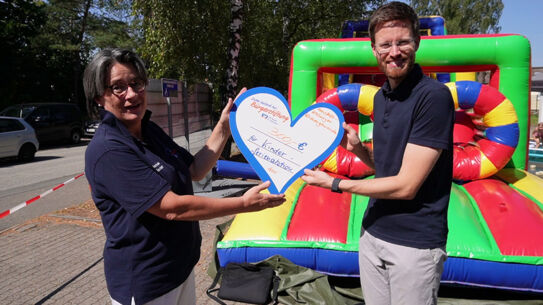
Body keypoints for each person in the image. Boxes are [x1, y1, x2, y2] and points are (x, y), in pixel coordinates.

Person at [83, 48, 285, 305]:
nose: (131, 94)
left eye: (136, 83)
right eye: (118, 87)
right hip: (147, 283)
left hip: (178, 269)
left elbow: (194, 170)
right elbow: (171, 208)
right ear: (99, 97)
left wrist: (224, 126)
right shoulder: (108, 149)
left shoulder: (148, 130)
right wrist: (243, 205)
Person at [301, 2, 454, 304]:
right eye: (385, 44)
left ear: (417, 43)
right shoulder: (382, 98)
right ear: (374, 49)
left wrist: (334, 183)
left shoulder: (433, 97)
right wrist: (359, 149)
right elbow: (386, 169)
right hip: (372, 233)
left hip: (414, 245)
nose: (394, 52)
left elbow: (406, 186)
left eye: (403, 42)